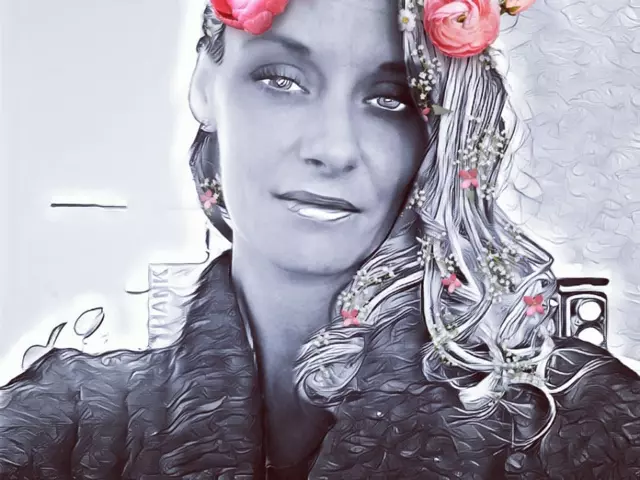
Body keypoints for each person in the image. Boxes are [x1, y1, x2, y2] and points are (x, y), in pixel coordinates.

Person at [1, 0, 639, 478]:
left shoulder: (573, 419)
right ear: (204, 85)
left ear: (438, 134)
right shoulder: (72, 420)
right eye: (282, 79)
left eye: (391, 98)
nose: (333, 149)